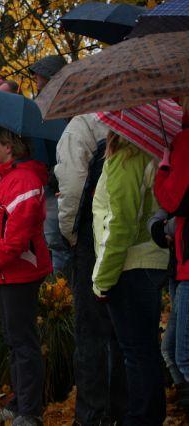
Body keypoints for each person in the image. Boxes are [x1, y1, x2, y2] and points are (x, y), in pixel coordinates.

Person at [54, 115, 127, 426]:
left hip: (92, 238)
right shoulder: (148, 116)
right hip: (134, 241)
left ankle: (92, 417)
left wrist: (70, 233)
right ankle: (125, 412)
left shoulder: (84, 125)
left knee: (92, 335)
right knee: (125, 336)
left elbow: (73, 186)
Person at [92, 133, 168, 426]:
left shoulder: (129, 156)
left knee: (137, 354)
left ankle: (141, 419)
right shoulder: (149, 149)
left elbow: (121, 223)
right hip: (146, 261)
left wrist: (102, 279)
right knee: (143, 351)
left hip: (131, 265)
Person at [0, 125, 51, 426]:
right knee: (15, 340)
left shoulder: (22, 180)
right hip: (8, 272)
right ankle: (20, 404)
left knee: (23, 342)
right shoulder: (8, 177)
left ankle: (30, 412)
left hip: (17, 271)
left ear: (9, 147)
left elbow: (18, 236)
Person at [154, 97, 189, 420]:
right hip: (181, 259)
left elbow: (171, 196)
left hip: (187, 264)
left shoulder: (185, 140)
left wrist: (165, 165)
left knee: (182, 354)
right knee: (173, 352)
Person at [29, 55, 69, 274]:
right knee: (46, 239)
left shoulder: (66, 103)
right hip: (45, 180)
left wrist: (55, 175)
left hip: (57, 183)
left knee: (56, 241)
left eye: (39, 72)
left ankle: (62, 294)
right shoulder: (41, 103)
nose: (34, 76)